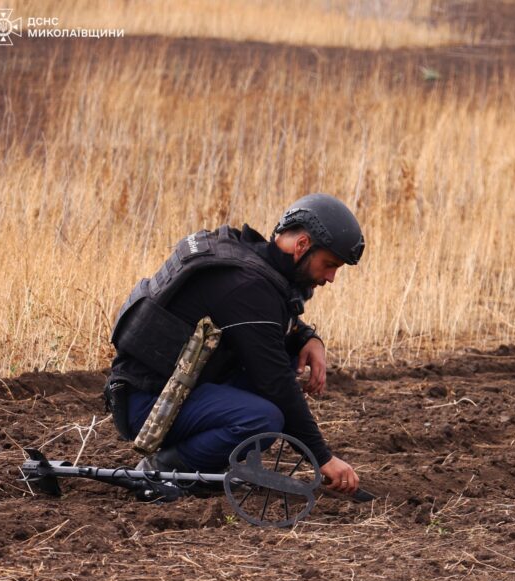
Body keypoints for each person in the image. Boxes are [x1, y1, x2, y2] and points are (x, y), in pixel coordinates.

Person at [104, 194, 364, 495]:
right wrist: (323, 458)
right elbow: (276, 382)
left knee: (285, 366)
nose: (331, 277)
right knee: (263, 418)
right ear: (302, 245)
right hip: (146, 405)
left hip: (163, 391)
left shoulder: (247, 260)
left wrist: (308, 338)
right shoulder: (247, 285)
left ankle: (198, 457)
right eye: (329, 264)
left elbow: (265, 323)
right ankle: (163, 470)